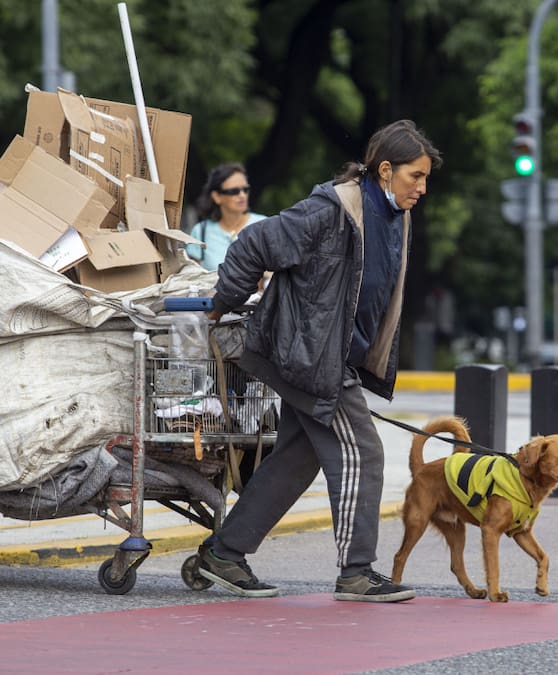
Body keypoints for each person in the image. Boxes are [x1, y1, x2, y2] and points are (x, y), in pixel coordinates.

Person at [197, 120, 442, 603]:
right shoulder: (331, 211)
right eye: (416, 176)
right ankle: (356, 572)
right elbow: (254, 243)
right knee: (363, 452)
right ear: (385, 170)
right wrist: (224, 302)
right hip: (307, 357)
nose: (422, 187)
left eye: (426, 178)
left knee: (296, 457)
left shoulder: (395, 215)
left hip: (328, 357)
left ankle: (223, 554)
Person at [186, 162, 267, 272]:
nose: (242, 195)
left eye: (245, 190)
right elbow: (192, 277)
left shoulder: (264, 225)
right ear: (217, 197)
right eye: (234, 191)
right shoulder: (200, 231)